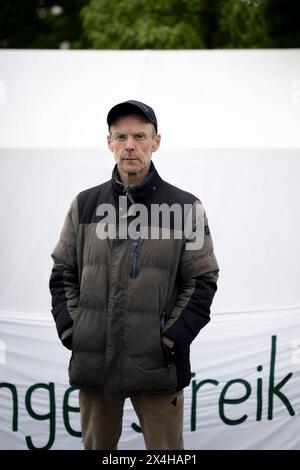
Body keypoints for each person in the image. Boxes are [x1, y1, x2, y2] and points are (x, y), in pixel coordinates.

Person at [49, 100, 219, 450]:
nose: (130, 145)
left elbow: (202, 282)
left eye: (140, 136)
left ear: (156, 142)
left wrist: (169, 340)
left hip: (159, 367)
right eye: (121, 136)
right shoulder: (84, 205)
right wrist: (74, 331)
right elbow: (63, 272)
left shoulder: (186, 207)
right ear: (109, 142)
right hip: (95, 366)